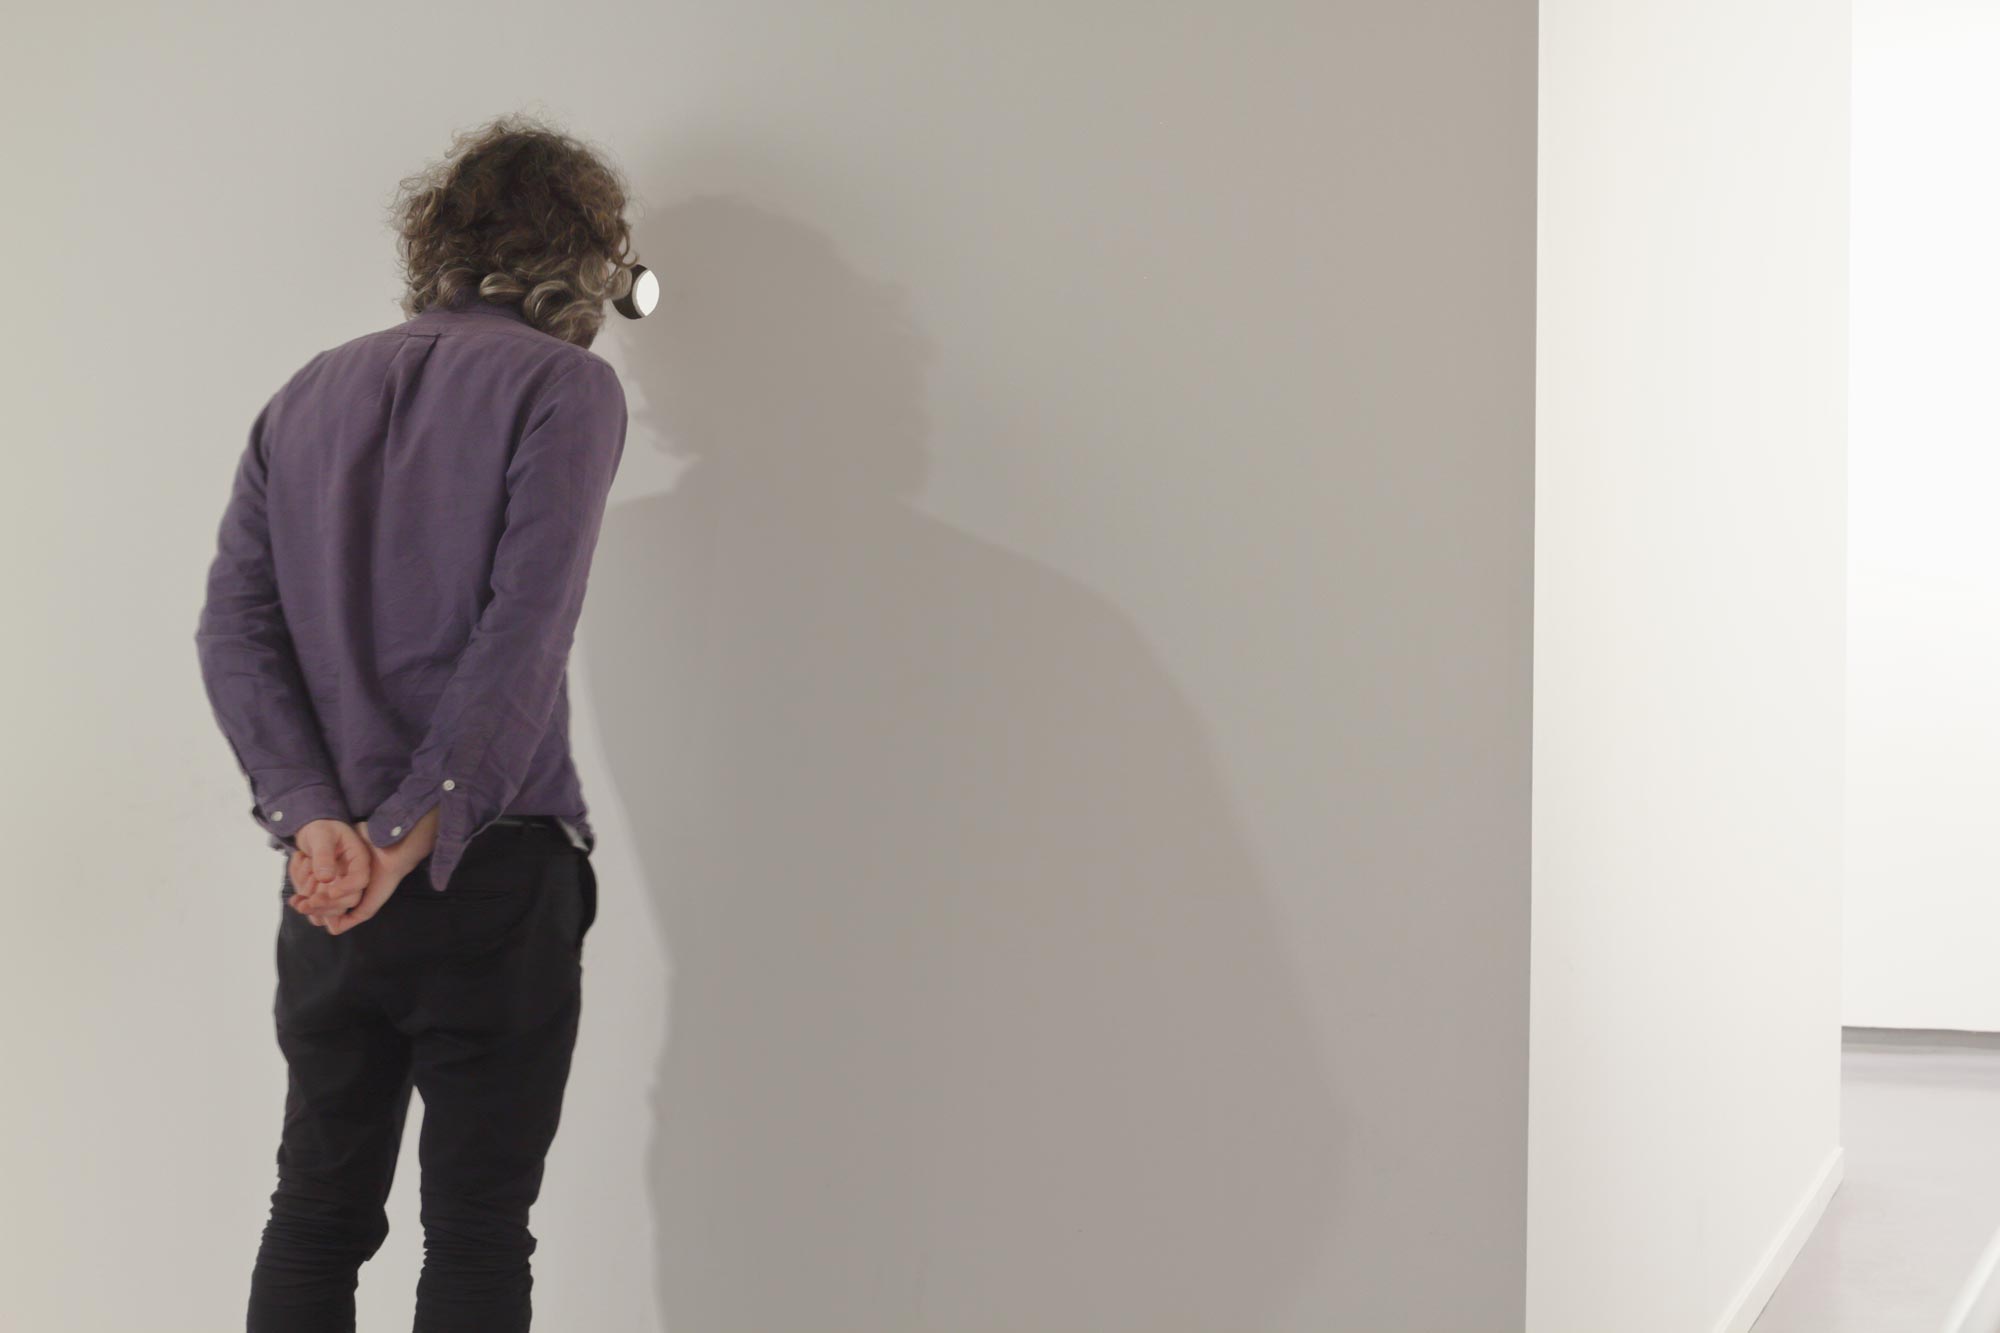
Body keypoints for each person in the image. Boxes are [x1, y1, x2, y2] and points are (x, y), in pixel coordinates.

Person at [193, 112, 636, 1333]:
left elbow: (233, 632)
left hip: (330, 883)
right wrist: (411, 830)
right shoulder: (565, 386)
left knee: (313, 1214)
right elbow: (522, 633)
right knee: (478, 1231)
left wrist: (318, 823)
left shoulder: (307, 393)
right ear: (580, 256)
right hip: (484, 868)